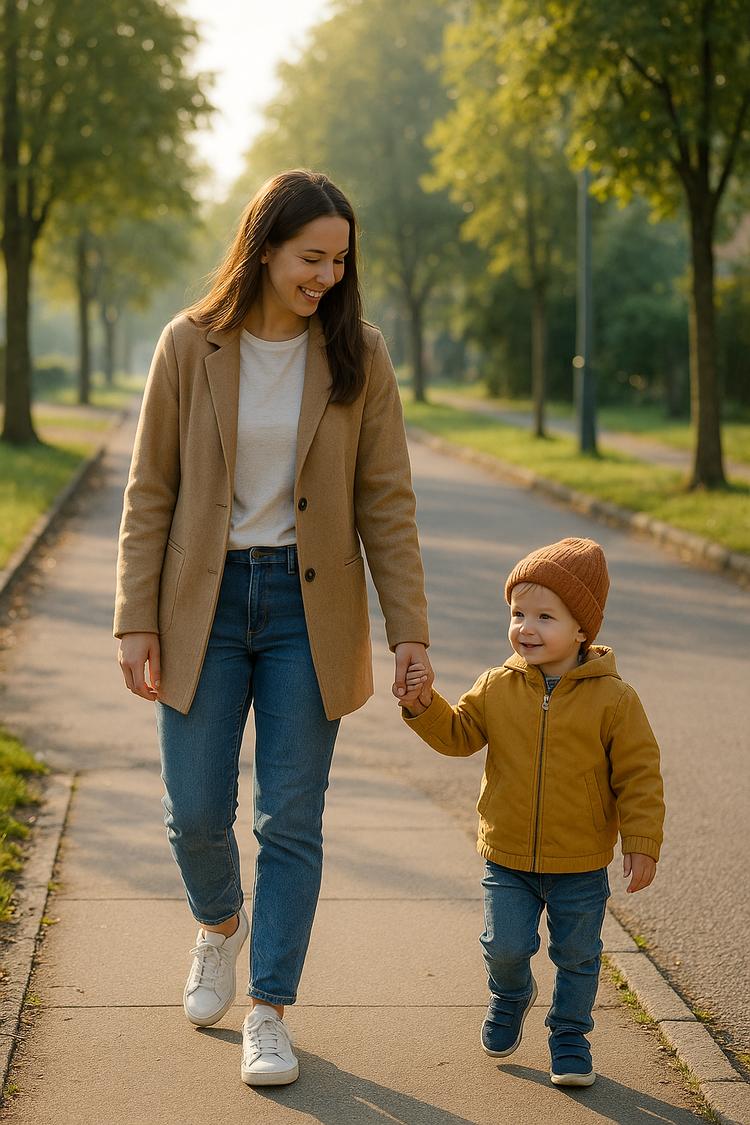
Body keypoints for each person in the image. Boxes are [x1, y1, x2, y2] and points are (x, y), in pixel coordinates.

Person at [114, 169, 432, 1087]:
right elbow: (151, 494)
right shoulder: (189, 344)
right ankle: (218, 923)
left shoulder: (359, 355)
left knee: (290, 818)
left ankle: (270, 1008)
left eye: (339, 259)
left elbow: (387, 502)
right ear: (263, 249)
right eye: (310, 257)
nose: (327, 275)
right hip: (200, 609)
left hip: (308, 610)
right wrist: (135, 618)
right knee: (196, 814)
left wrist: (408, 625)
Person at [400, 537, 664, 1088]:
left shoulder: (615, 700)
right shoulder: (497, 686)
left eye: (546, 616)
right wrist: (424, 704)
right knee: (504, 944)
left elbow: (639, 776)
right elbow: (457, 735)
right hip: (509, 853)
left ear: (582, 630)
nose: (526, 627)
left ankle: (569, 1036)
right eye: (518, 613)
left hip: (581, 860)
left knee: (578, 954)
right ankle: (511, 993)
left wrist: (641, 841)